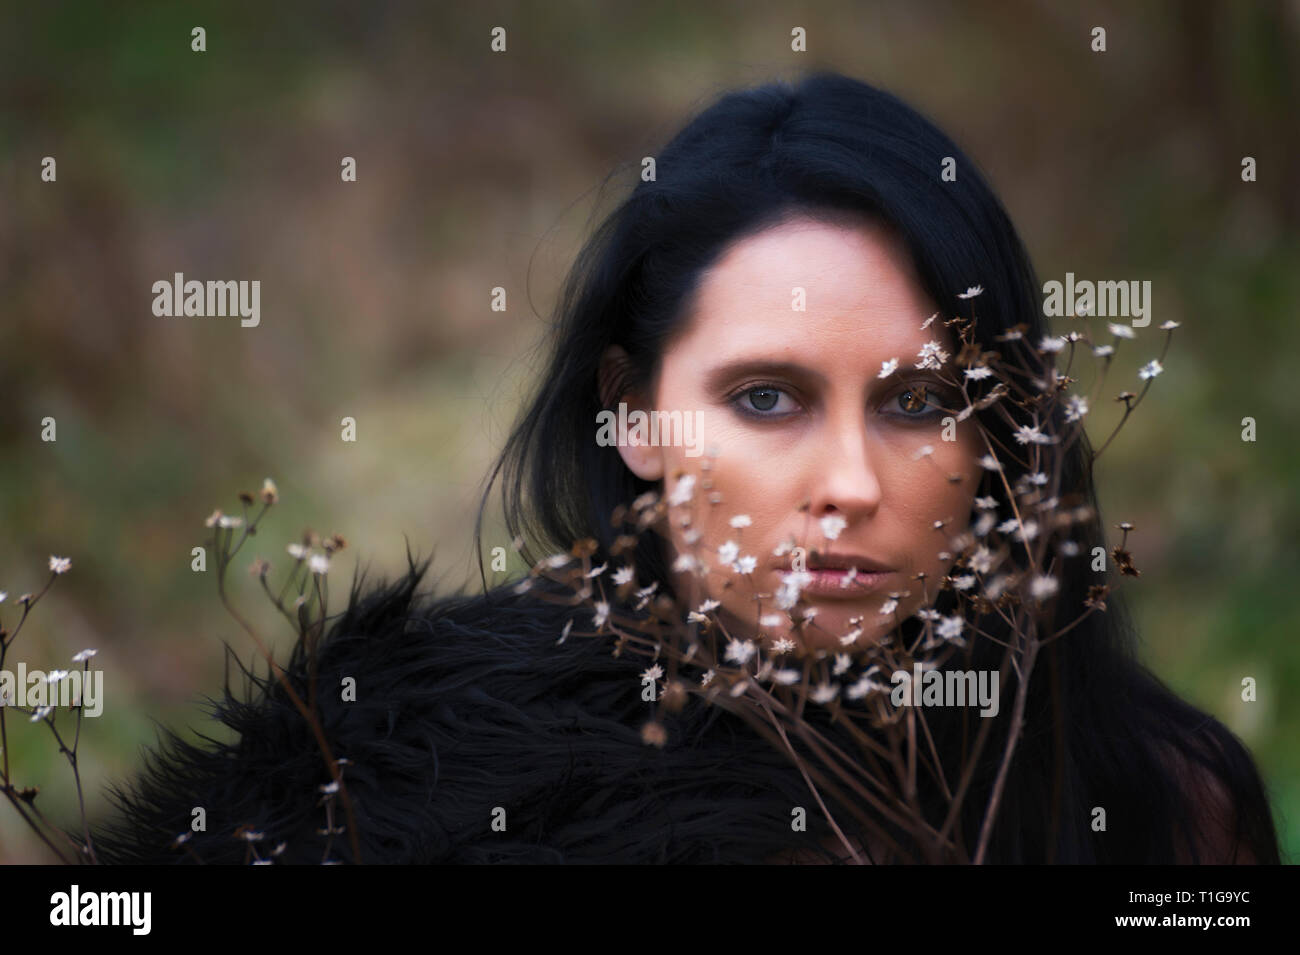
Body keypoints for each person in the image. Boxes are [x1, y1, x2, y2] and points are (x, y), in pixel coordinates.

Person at [94, 70, 1280, 864]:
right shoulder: (414, 780)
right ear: (635, 415)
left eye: (917, 401)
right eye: (766, 399)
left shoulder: (1158, 803)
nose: (849, 484)